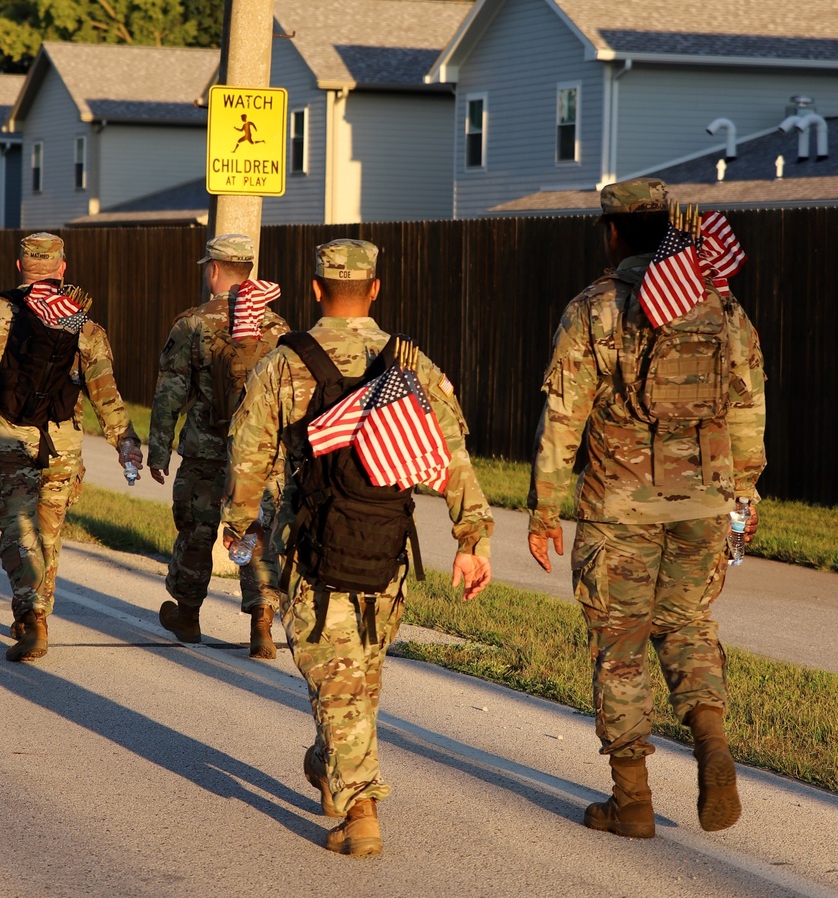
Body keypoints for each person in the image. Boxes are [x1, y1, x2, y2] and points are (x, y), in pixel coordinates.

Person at [222, 238, 494, 856]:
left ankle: (361, 808)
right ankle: (331, 762)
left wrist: (242, 530)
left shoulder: (283, 362)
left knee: (337, 677)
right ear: (374, 290)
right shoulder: (410, 363)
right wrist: (471, 537)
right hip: (387, 549)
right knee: (355, 675)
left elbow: (247, 458)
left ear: (316, 290)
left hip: (312, 549)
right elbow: (453, 456)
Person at [527, 179, 766, 838]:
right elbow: (749, 405)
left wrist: (545, 507)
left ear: (611, 233)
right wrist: (745, 493)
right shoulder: (720, 307)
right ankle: (712, 740)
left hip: (621, 502)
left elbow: (563, 415)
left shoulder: (595, 309)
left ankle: (631, 800)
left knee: (622, 643)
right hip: (702, 499)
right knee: (687, 623)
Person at [0, 232, 143, 662]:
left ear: (20, 266)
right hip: (62, 446)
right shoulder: (79, 321)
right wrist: (124, 440)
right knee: (48, 534)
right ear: (61, 268)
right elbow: (104, 390)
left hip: (7, 439)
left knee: (18, 529)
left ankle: (32, 616)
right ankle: (37, 613)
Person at [148, 233, 289, 658]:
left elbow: (170, 392)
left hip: (205, 449)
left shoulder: (193, 323)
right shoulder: (277, 327)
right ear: (248, 272)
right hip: (262, 454)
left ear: (213, 269)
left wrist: (157, 450)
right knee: (256, 530)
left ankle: (188, 616)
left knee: (197, 529)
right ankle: (261, 623)